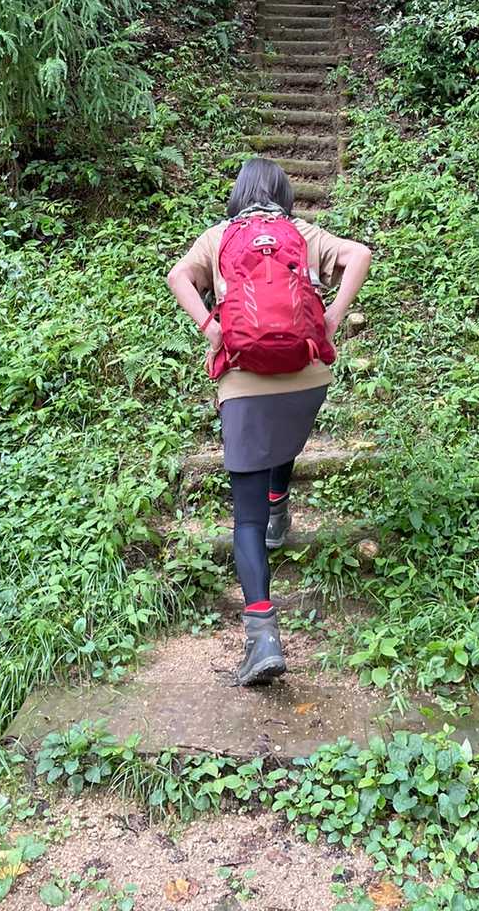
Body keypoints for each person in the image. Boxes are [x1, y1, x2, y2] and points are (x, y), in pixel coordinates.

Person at [166, 157, 373, 687]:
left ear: (238, 192)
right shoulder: (300, 233)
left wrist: (210, 327)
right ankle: (281, 505)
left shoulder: (218, 237)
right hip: (307, 377)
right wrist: (331, 317)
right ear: (283, 192)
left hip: (244, 381)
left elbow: (177, 277)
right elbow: (360, 255)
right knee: (283, 434)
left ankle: (262, 639)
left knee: (247, 520)